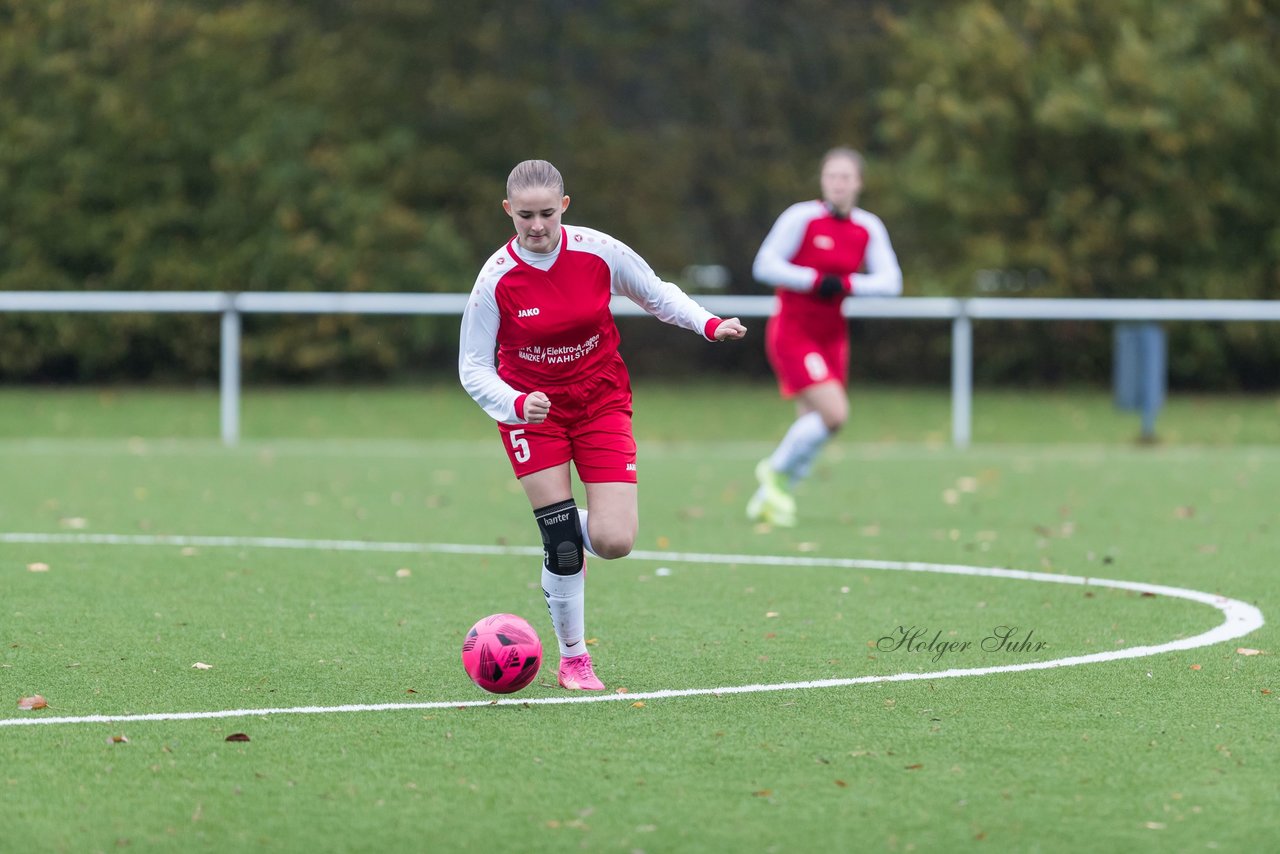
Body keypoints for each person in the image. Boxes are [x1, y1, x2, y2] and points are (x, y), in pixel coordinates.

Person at [459, 159, 747, 691]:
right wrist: (518, 403)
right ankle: (574, 659)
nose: (537, 226)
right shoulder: (495, 280)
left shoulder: (598, 250)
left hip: (601, 402)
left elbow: (656, 294)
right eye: (525, 216)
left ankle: (565, 525)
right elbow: (473, 367)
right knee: (562, 542)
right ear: (508, 212)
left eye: (547, 213)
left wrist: (708, 324)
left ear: (564, 207)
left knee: (615, 541)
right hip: (532, 415)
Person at [747, 147, 903, 527]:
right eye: (831, 175)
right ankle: (773, 471)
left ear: (859, 183)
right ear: (822, 180)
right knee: (835, 414)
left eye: (846, 176)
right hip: (793, 330)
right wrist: (814, 280)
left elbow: (891, 282)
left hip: (833, 336)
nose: (838, 183)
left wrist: (848, 284)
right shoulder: (801, 217)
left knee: (813, 425)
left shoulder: (868, 227)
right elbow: (764, 265)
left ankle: (770, 499)